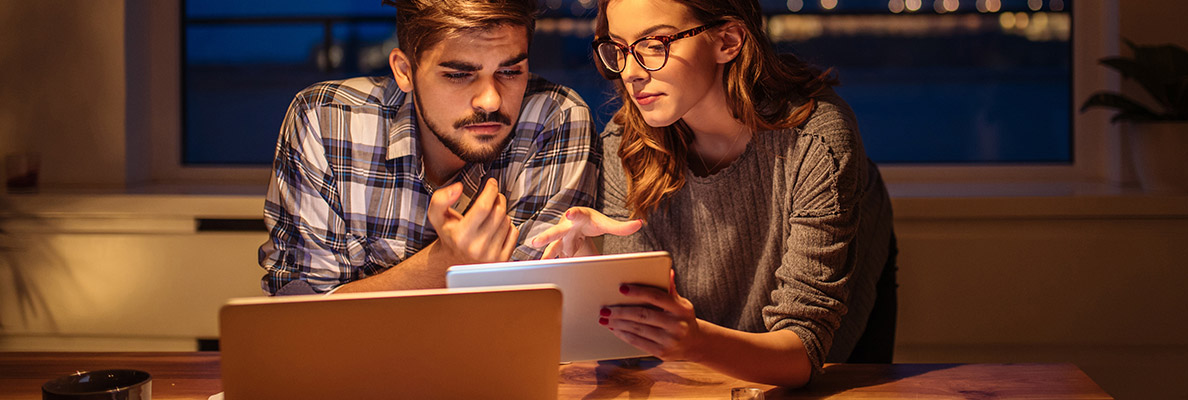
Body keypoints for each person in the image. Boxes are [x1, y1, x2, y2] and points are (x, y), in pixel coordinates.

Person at [531, 0, 896, 387]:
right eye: (619, 49)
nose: (631, 73)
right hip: (704, 363)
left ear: (728, 40)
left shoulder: (814, 139)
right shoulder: (629, 144)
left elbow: (805, 352)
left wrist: (693, 341)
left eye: (655, 44)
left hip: (819, 357)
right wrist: (592, 269)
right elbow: (639, 342)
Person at [258, 0, 599, 296]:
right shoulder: (327, 120)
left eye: (510, 71)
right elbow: (301, 314)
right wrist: (444, 263)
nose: (491, 100)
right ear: (405, 71)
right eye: (458, 75)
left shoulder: (554, 120)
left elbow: (537, 313)